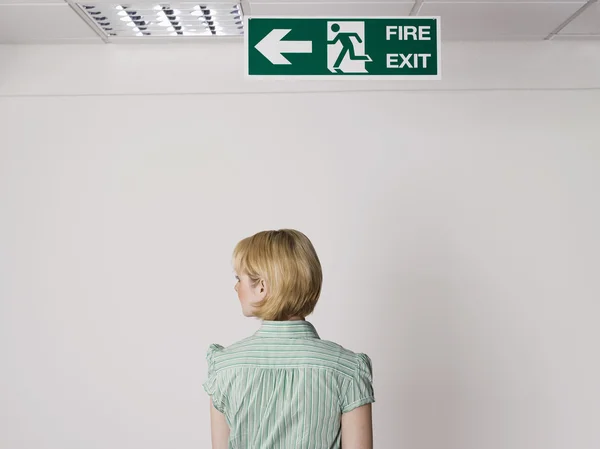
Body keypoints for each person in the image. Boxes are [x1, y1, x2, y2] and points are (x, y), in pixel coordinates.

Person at [203, 229, 375, 449]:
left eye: (240, 278)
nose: (236, 287)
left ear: (262, 287)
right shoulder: (348, 370)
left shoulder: (225, 367)